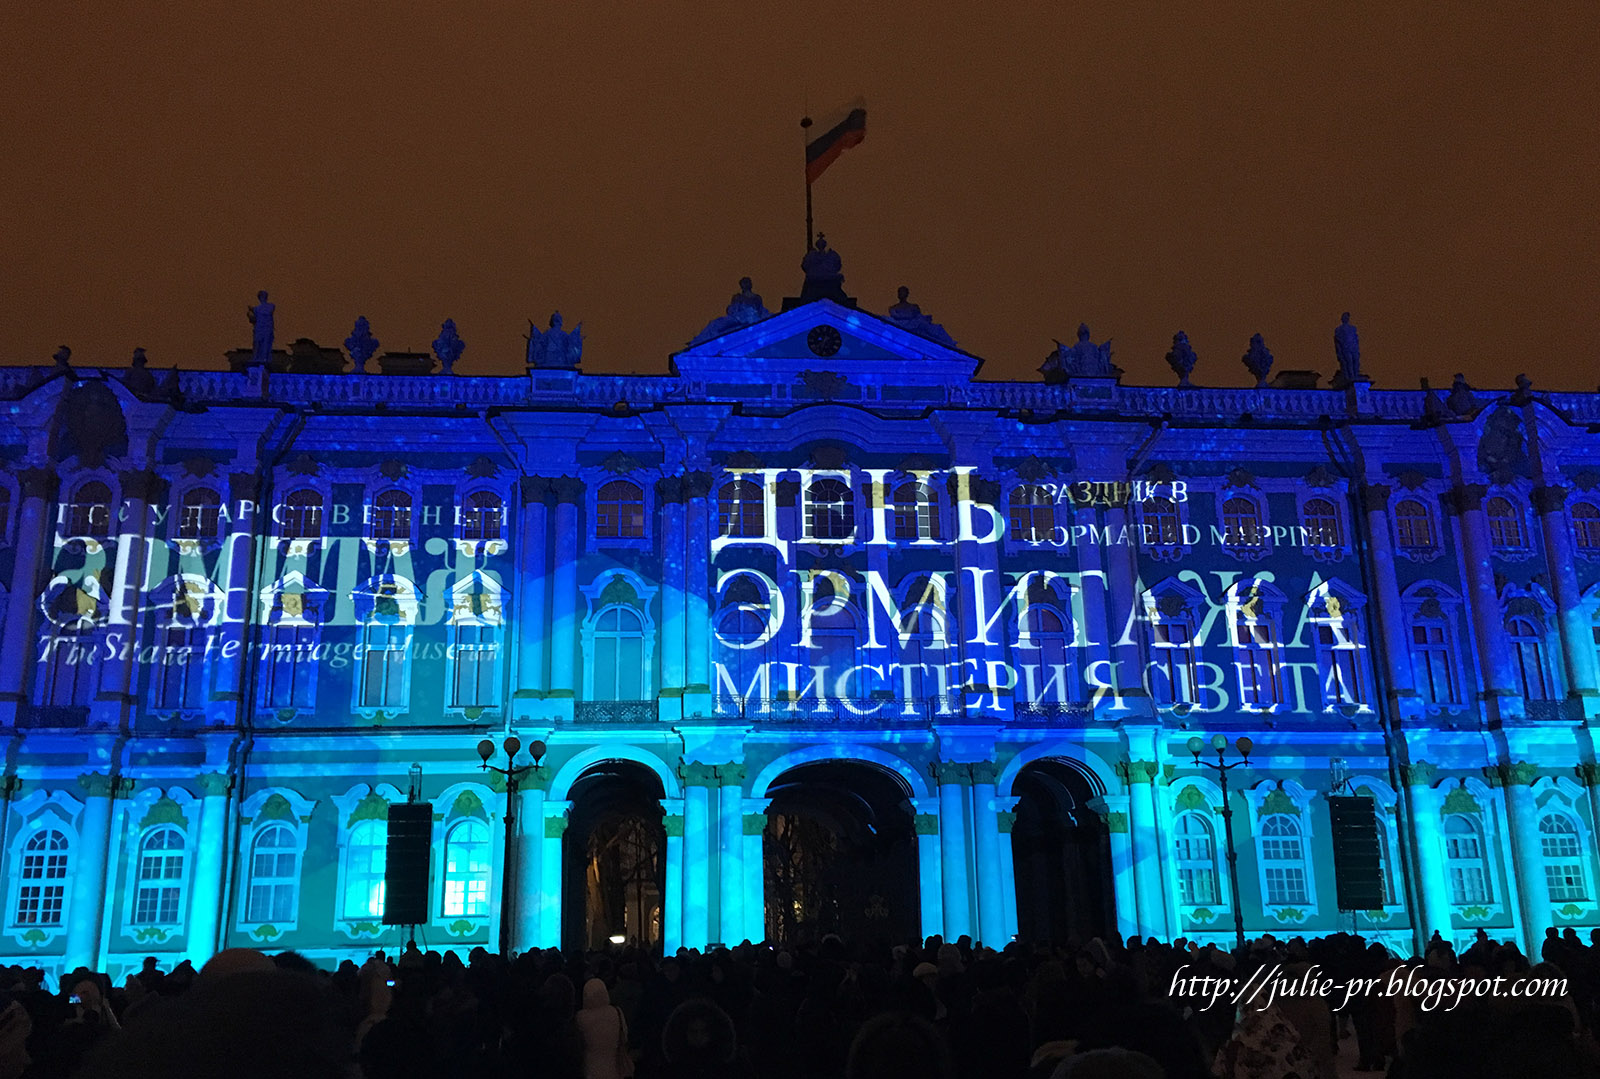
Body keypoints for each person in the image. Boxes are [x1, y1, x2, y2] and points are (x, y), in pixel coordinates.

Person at [576, 977, 632, 1079]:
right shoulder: (616, 1012)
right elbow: (624, 1036)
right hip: (616, 1069)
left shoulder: (581, 1017)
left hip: (590, 1070)